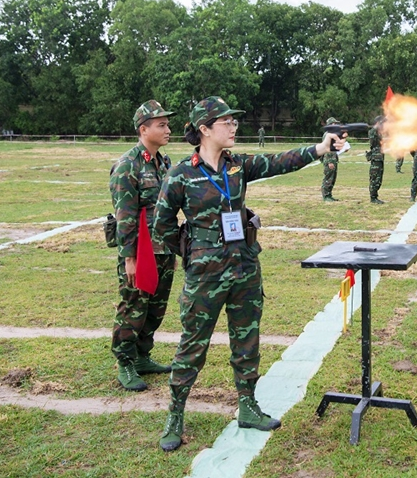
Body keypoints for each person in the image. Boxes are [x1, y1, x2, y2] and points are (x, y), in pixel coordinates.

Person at [152, 96, 344, 452]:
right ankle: (175, 415)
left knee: (247, 342)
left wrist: (320, 147)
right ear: (205, 129)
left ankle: (248, 406)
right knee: (192, 347)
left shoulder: (237, 165)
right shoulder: (181, 174)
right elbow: (161, 227)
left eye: (234, 122)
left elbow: (279, 161)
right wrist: (194, 255)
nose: (234, 127)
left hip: (244, 269)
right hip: (205, 278)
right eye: (226, 122)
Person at [109, 100, 177, 392]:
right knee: (134, 306)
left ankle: (142, 355)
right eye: (161, 125)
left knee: (156, 308)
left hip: (164, 248)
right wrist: (129, 259)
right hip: (141, 251)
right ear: (143, 129)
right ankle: (124, 361)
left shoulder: (164, 162)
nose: (168, 129)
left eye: (167, 124)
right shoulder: (127, 166)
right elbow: (124, 217)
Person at [321, 117, 340, 202]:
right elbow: (327, 148)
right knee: (328, 178)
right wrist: (330, 162)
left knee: (332, 178)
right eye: (334, 123)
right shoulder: (328, 134)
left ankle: (329, 195)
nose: (336, 125)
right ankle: (326, 196)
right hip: (329, 160)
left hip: (333, 159)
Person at [367, 117, 385, 204]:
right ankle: (373, 197)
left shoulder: (378, 132)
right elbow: (374, 142)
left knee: (379, 178)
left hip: (380, 157)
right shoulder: (373, 131)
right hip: (376, 157)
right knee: (375, 178)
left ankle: (375, 196)